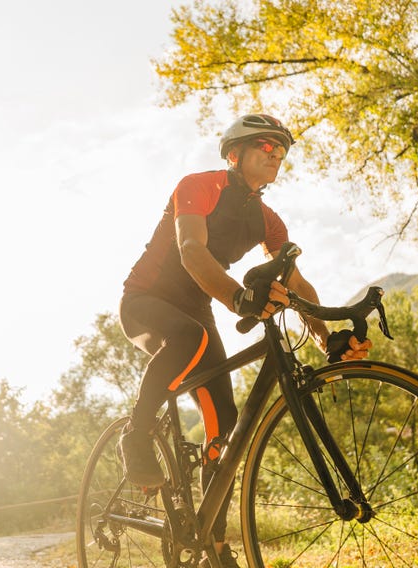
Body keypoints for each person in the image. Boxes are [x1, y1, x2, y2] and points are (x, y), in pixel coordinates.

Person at [118, 113, 372, 568]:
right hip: (146, 300)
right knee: (189, 337)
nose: (275, 155)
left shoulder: (267, 219)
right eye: (265, 146)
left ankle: (211, 542)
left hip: (197, 312)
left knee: (226, 426)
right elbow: (191, 250)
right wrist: (239, 300)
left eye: (282, 150)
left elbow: (296, 283)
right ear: (234, 153)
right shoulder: (199, 184)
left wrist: (324, 335)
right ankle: (135, 435)